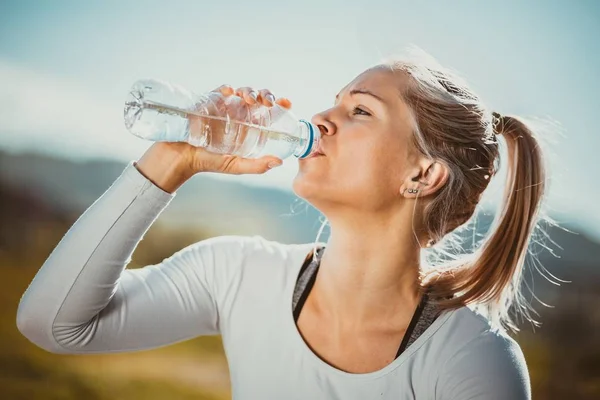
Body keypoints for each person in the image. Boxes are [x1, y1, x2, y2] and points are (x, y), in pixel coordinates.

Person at [16, 50, 542, 399]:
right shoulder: (237, 274)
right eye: (334, 101)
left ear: (422, 173)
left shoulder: (471, 359)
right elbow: (55, 326)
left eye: (360, 111)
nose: (320, 119)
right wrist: (169, 162)